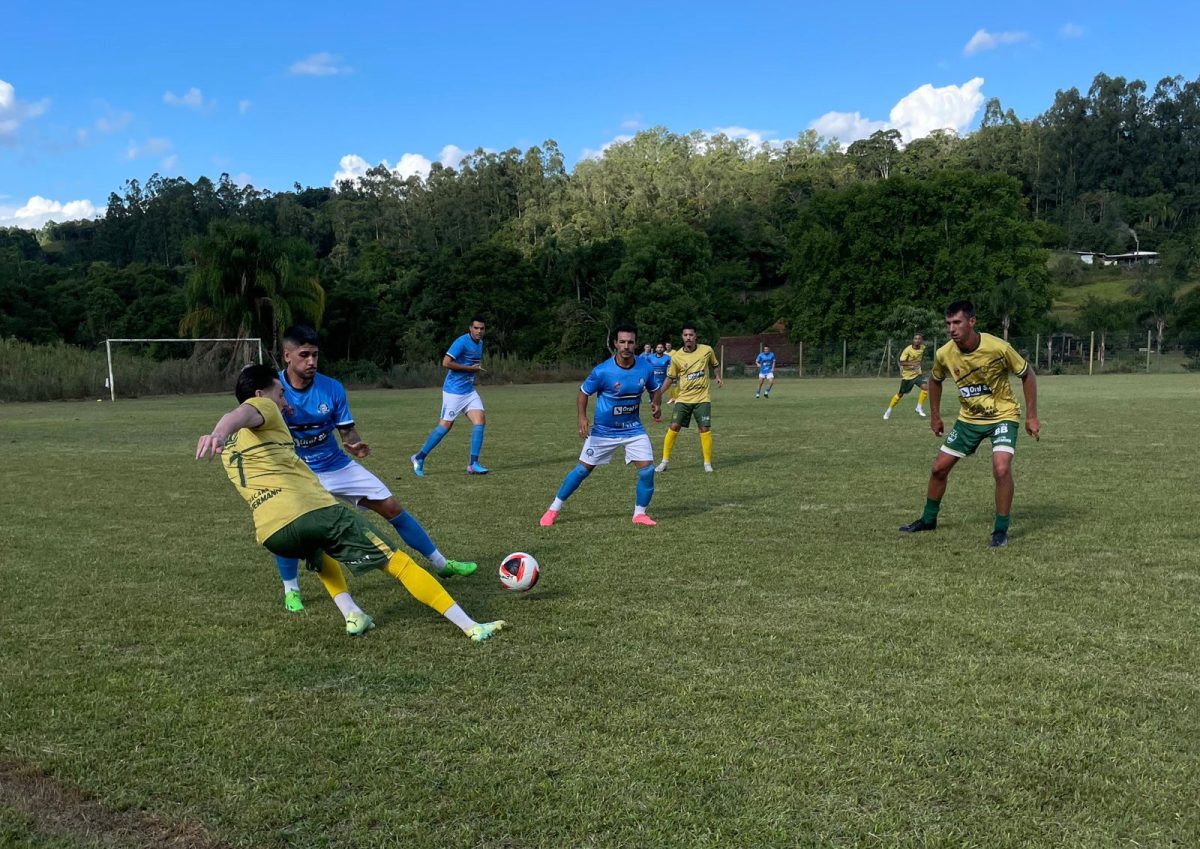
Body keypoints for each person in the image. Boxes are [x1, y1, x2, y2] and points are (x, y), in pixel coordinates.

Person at [196, 365, 505, 641]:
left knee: (319, 551)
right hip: (313, 512)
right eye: (281, 394)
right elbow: (240, 414)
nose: (286, 402)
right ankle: (471, 626)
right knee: (397, 563)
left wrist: (222, 436)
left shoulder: (230, 448)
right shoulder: (260, 406)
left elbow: (238, 422)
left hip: (273, 535)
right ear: (262, 394)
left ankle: (353, 615)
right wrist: (220, 431)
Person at [269, 325, 477, 613]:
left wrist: (354, 444)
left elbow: (347, 433)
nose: (311, 362)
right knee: (289, 527)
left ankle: (442, 564)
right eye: (304, 355)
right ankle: (291, 590)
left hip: (336, 466)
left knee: (392, 507)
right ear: (287, 356)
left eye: (315, 355)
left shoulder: (331, 388)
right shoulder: (273, 391)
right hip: (299, 473)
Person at [899, 301, 1040, 548]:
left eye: (957, 323)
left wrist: (1031, 416)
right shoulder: (945, 353)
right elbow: (935, 380)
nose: (951, 329)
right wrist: (935, 415)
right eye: (948, 324)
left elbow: (1027, 374)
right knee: (938, 469)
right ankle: (928, 520)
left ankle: (1000, 531)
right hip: (969, 420)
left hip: (1003, 416)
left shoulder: (998, 347)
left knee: (1001, 469)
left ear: (972, 322)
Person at [540, 325, 663, 527]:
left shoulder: (645, 367)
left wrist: (656, 404)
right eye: (622, 342)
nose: (626, 346)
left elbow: (655, 389)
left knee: (647, 471)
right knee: (582, 470)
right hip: (604, 431)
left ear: (636, 344)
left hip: (633, 429)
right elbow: (583, 393)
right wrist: (582, 417)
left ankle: (639, 514)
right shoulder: (602, 371)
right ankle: (553, 509)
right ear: (615, 344)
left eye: (630, 342)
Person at [411, 317, 489, 476]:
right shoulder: (461, 342)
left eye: (482, 328)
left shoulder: (480, 343)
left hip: (468, 391)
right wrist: (469, 369)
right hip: (453, 391)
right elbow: (446, 363)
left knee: (480, 420)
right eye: (476, 328)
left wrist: (473, 370)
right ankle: (419, 457)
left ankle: (473, 464)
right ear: (470, 328)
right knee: (445, 427)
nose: (479, 331)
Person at [655, 323, 723, 473]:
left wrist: (718, 376)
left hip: (702, 398)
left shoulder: (707, 350)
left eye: (691, 335)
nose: (688, 338)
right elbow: (670, 377)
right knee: (674, 427)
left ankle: (707, 463)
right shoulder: (677, 356)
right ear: (682, 337)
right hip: (683, 399)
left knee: (704, 428)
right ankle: (664, 462)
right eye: (685, 335)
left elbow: (715, 364)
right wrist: (658, 393)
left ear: (695, 336)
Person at [883, 333, 929, 419]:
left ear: (921, 340)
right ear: (913, 340)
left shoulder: (923, 347)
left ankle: (919, 408)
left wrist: (918, 365)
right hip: (908, 377)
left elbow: (920, 357)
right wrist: (912, 364)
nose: (917, 340)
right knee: (900, 394)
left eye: (919, 339)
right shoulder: (907, 350)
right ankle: (888, 410)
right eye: (915, 338)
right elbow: (902, 362)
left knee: (925, 388)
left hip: (917, 374)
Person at [645, 343, 672, 422]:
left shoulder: (668, 358)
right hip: (651, 381)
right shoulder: (650, 357)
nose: (660, 349)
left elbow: (673, 366)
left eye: (661, 347)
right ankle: (655, 411)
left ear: (663, 349)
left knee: (658, 399)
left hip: (662, 382)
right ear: (656, 349)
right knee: (652, 399)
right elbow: (645, 366)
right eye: (658, 347)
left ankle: (657, 416)